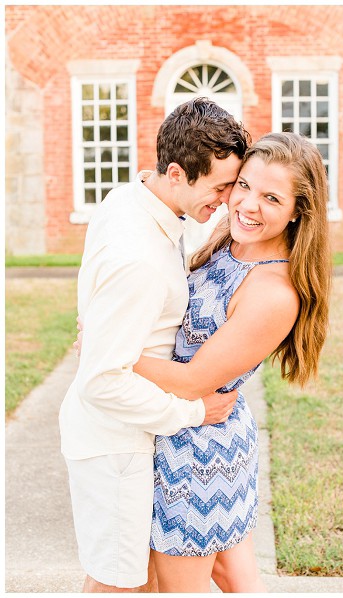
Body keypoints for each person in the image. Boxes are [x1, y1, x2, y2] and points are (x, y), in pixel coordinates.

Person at [59, 97, 249, 592]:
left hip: (131, 438)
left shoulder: (132, 199)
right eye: (220, 187)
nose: (227, 200)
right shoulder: (138, 257)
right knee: (119, 586)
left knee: (133, 579)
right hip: (116, 444)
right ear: (176, 172)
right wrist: (193, 413)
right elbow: (102, 381)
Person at [129, 131, 332, 592]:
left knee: (175, 587)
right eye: (243, 185)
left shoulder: (274, 294)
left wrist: (113, 352)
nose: (248, 204)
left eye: (272, 197)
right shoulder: (231, 240)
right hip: (181, 429)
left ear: (299, 210)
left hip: (200, 455)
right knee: (227, 577)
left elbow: (194, 378)